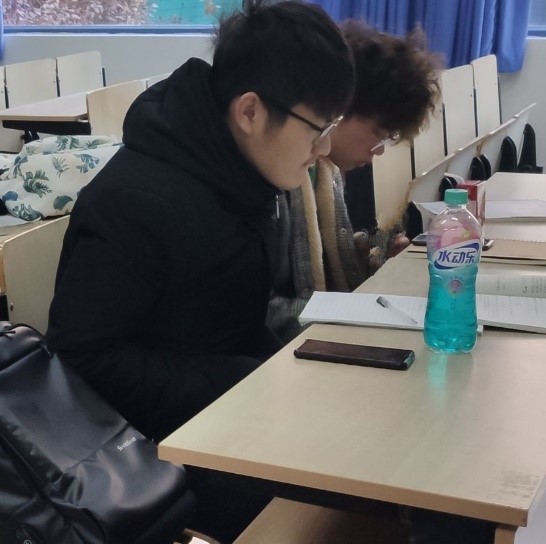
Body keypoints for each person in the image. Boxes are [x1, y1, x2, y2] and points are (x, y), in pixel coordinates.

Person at [45, 1, 354, 541]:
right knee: (362, 497)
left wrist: (282, 375)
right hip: (153, 460)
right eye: (318, 127)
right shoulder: (135, 201)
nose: (324, 148)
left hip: (225, 421)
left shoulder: (240, 174)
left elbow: (231, 321)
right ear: (250, 111)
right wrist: (245, 384)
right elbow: (83, 359)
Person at [268, 20, 442, 342]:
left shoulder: (327, 173)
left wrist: (381, 263)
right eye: (378, 134)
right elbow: (259, 311)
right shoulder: (280, 174)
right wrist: (352, 313)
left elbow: (334, 269)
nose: (378, 151)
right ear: (340, 107)